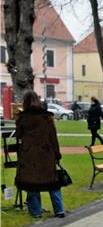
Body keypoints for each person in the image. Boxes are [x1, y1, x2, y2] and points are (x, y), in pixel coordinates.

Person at [15, 90, 65, 219]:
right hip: (46, 153)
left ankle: (36, 212)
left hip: (29, 154)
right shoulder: (46, 117)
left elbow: (19, 135)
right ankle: (59, 210)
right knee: (52, 182)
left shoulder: (23, 118)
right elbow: (53, 136)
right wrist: (57, 153)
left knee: (31, 183)